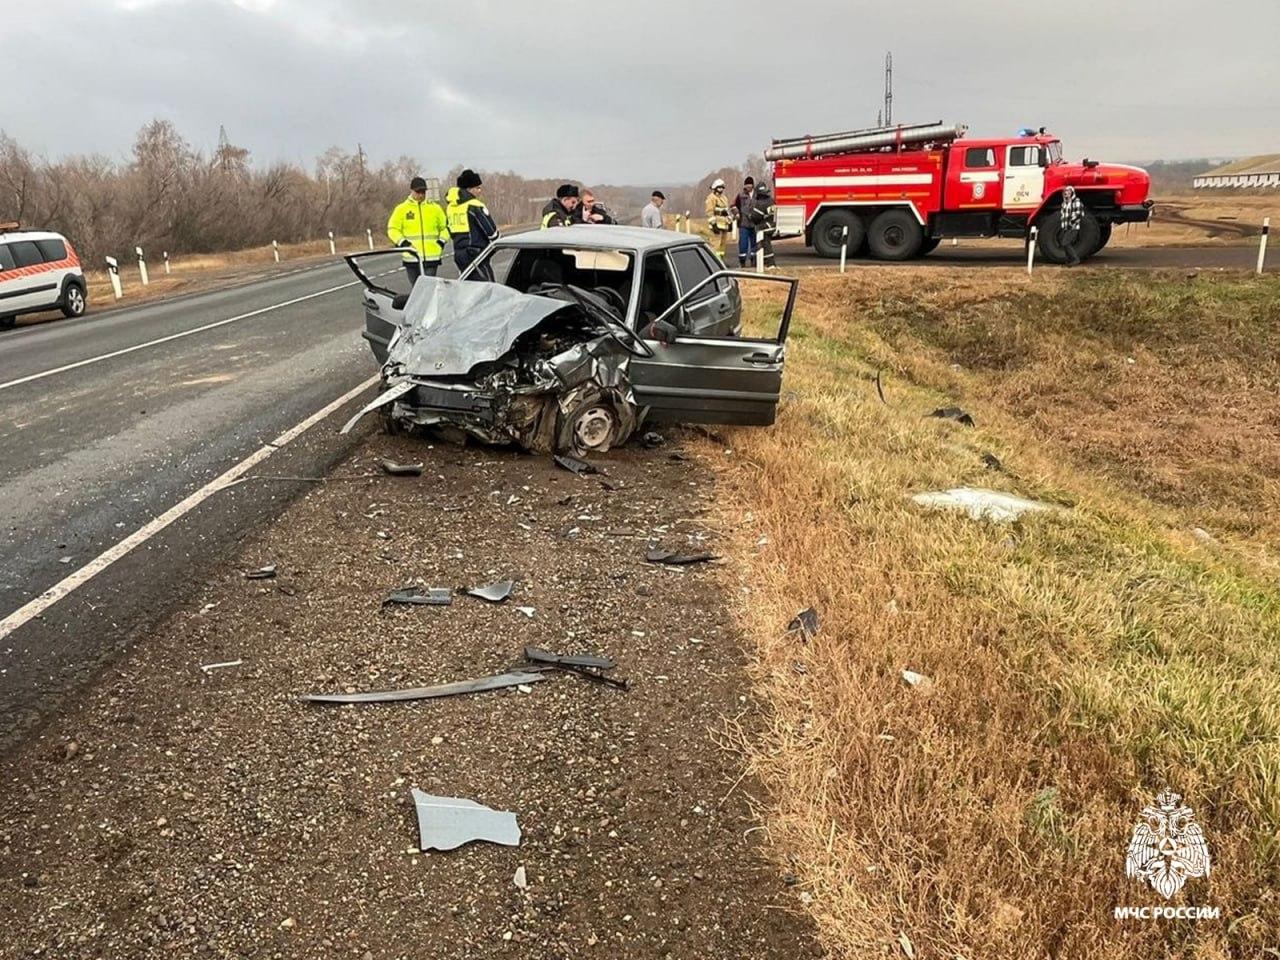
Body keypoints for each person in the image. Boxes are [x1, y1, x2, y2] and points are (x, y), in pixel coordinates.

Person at [387, 176, 449, 285]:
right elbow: (392, 229)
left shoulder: (435, 208)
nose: (421, 195)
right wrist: (403, 243)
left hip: (432, 257)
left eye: (423, 192)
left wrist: (441, 242)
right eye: (418, 192)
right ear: (411, 191)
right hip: (411, 258)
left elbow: (445, 227)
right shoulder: (401, 209)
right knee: (416, 290)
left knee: (428, 289)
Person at [446, 168, 500, 280]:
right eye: (477, 187)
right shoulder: (475, 206)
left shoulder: (451, 208)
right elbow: (493, 234)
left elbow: (450, 230)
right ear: (469, 189)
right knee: (489, 289)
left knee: (467, 288)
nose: (480, 190)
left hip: (459, 254)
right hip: (477, 256)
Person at [748, 181, 776, 269]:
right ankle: (770, 263)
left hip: (764, 227)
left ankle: (769, 264)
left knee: (765, 245)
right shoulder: (771, 200)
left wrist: (750, 215)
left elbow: (755, 217)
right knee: (767, 244)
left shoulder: (760, 204)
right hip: (772, 225)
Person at [732, 177, 756, 266]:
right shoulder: (740, 195)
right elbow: (733, 206)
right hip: (743, 224)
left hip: (754, 223)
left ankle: (754, 260)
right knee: (743, 243)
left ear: (753, 185)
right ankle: (742, 261)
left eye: (749, 185)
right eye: (746, 185)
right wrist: (736, 213)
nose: (748, 187)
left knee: (755, 243)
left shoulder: (757, 195)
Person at [704, 178, 732, 258]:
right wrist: (713, 225)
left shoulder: (724, 198)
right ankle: (714, 261)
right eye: (719, 187)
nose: (721, 189)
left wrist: (730, 223)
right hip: (716, 226)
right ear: (715, 188)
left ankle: (721, 261)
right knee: (715, 245)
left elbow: (727, 211)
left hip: (724, 225)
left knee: (722, 246)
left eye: (722, 188)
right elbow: (709, 212)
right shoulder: (711, 198)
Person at [1058, 185, 1084, 266]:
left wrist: (1071, 223)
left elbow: (1079, 214)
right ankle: (1069, 260)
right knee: (1063, 243)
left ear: (1072, 193)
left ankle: (1075, 259)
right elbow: (1063, 215)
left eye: (1069, 191)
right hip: (1065, 227)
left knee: (1065, 243)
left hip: (1073, 227)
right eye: (1065, 191)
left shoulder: (1076, 202)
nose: (1066, 193)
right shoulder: (1064, 203)